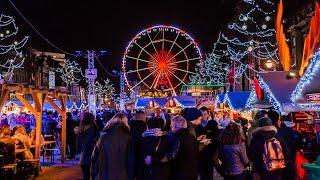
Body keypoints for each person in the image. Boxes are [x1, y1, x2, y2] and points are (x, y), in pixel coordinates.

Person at [91, 113, 134, 180]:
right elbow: (130, 160)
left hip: (104, 174)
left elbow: (94, 157)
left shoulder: (103, 137)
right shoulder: (128, 138)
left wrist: (93, 175)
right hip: (121, 174)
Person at [170, 115, 199, 180]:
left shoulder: (175, 138)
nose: (171, 127)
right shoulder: (192, 138)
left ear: (175, 126)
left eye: (171, 125)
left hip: (179, 174)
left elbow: (171, 156)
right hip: (192, 173)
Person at [76, 112, 99, 180]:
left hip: (87, 153)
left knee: (87, 173)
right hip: (90, 153)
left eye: (82, 117)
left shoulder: (86, 128)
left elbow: (85, 141)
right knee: (89, 173)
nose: (80, 118)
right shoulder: (93, 127)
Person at [277, 115, 301, 180]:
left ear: (282, 122)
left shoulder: (278, 132)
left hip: (280, 160)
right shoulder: (297, 133)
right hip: (292, 160)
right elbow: (299, 146)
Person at [198, 107, 219, 180]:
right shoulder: (197, 125)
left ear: (208, 114)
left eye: (205, 114)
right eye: (201, 114)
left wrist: (212, 140)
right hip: (200, 154)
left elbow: (217, 137)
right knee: (202, 174)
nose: (203, 116)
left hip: (211, 153)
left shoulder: (213, 123)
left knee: (209, 173)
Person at [129, 111, 148, 180]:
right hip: (141, 155)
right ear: (143, 117)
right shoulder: (144, 126)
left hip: (130, 154)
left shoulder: (129, 125)